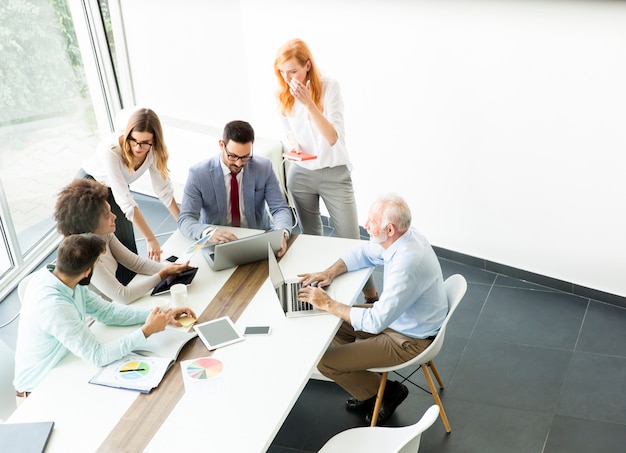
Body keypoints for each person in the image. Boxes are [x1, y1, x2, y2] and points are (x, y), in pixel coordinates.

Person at [297, 193, 448, 423]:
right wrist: (329, 272)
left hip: (408, 339)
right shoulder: (404, 237)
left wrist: (328, 302)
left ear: (390, 229)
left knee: (325, 362)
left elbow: (376, 321)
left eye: (372, 222)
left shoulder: (406, 263)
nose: (366, 224)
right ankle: (363, 384)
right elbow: (365, 252)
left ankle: (385, 391)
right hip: (401, 320)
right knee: (333, 322)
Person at [13, 234, 196, 398]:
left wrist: (160, 315)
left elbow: (107, 312)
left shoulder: (63, 276)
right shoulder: (54, 307)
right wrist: (146, 331)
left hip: (66, 364)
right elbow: (97, 356)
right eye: (97, 263)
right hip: (39, 390)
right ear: (87, 272)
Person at [273, 38, 378, 301]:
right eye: (283, 73)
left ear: (307, 66)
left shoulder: (330, 88)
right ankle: (321, 297)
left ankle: (372, 296)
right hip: (301, 175)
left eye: (293, 71)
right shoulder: (282, 94)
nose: (288, 79)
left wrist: (309, 104)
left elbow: (332, 138)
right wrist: (294, 144)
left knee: (350, 241)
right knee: (312, 238)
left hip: (335, 174)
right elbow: (287, 128)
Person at [79, 107, 179, 284]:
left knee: (126, 246)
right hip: (90, 188)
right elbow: (125, 201)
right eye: (134, 140)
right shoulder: (110, 150)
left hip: (115, 188)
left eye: (145, 142)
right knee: (96, 250)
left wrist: (184, 223)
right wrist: (150, 239)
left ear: (154, 139)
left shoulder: (153, 149)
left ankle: (130, 292)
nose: (138, 147)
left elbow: (163, 190)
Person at [54, 178, 194, 304]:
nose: (114, 216)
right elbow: (123, 296)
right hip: (101, 319)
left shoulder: (103, 234)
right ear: (89, 224)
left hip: (115, 307)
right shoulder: (83, 254)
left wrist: (172, 269)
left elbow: (136, 263)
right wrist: (163, 274)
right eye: (106, 215)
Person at [177, 120, 293, 257]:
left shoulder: (263, 167)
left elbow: (280, 208)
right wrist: (208, 233)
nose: (239, 163)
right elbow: (185, 219)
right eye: (233, 156)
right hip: (218, 242)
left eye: (245, 157)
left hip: (257, 237)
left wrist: (281, 233)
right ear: (222, 145)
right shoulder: (199, 174)